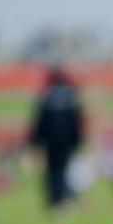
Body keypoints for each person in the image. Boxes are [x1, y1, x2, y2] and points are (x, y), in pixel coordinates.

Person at [29, 66, 83, 207]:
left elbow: (40, 121)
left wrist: (37, 141)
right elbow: (76, 121)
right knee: (63, 169)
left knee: (52, 171)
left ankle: (54, 198)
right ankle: (62, 196)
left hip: (51, 141)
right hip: (66, 141)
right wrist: (77, 140)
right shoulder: (70, 95)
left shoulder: (47, 95)